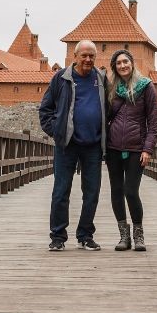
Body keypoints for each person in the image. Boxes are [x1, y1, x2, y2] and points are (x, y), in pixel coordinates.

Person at [39, 40, 107, 251]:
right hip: (66, 145)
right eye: (84, 55)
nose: (88, 60)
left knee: (92, 192)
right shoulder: (61, 78)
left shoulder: (101, 79)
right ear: (75, 56)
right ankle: (58, 237)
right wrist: (58, 132)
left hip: (93, 144)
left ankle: (85, 235)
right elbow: (45, 110)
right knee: (61, 191)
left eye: (91, 56)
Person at [106, 49, 157, 251]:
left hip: (137, 148)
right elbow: (104, 117)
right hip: (113, 148)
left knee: (131, 191)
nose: (122, 66)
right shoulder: (111, 88)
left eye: (125, 61)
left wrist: (148, 149)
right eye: (118, 63)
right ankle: (123, 236)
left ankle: (138, 235)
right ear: (114, 67)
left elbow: (153, 123)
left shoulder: (146, 87)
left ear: (132, 63)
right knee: (116, 192)